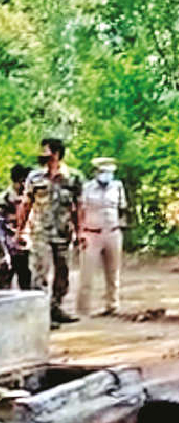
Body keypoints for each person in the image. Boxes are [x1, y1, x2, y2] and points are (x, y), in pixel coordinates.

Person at [17, 138, 85, 328]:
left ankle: (55, 307)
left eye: (46, 151)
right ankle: (41, 314)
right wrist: (20, 230)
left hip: (63, 233)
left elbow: (79, 207)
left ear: (56, 154)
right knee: (40, 271)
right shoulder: (35, 177)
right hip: (40, 232)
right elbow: (26, 204)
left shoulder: (73, 177)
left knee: (62, 273)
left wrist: (81, 232)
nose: (41, 155)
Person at [77, 157, 127, 316]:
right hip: (91, 233)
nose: (106, 175)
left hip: (112, 232)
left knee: (113, 272)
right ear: (96, 172)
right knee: (87, 274)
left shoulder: (118, 187)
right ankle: (83, 310)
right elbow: (80, 210)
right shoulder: (87, 188)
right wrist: (80, 232)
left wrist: (119, 226)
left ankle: (112, 306)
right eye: (103, 172)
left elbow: (122, 208)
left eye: (109, 172)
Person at [0, 164, 32, 290]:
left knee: (26, 279)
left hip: (25, 245)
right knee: (5, 282)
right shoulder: (5, 199)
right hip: (8, 245)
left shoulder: (29, 197)